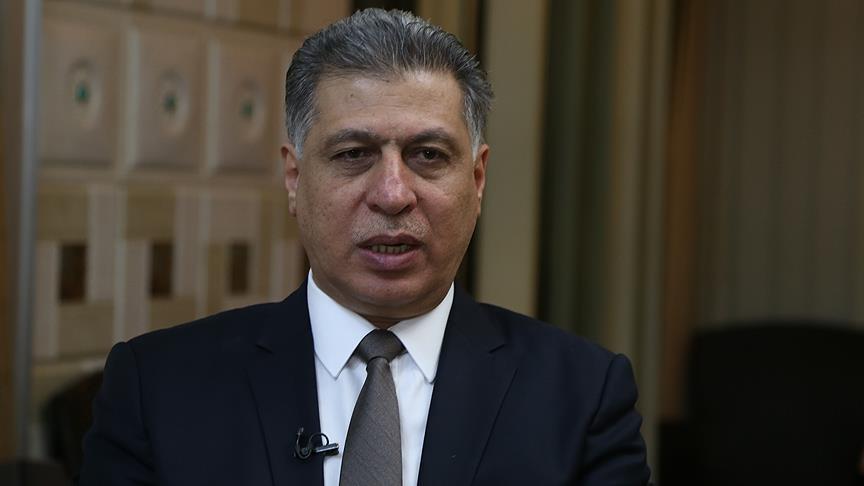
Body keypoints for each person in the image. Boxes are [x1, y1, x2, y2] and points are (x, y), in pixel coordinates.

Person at [78, 8, 651, 486]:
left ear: (477, 181)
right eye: (353, 154)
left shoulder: (582, 397)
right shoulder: (158, 389)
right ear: (294, 178)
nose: (393, 194)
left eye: (428, 155)